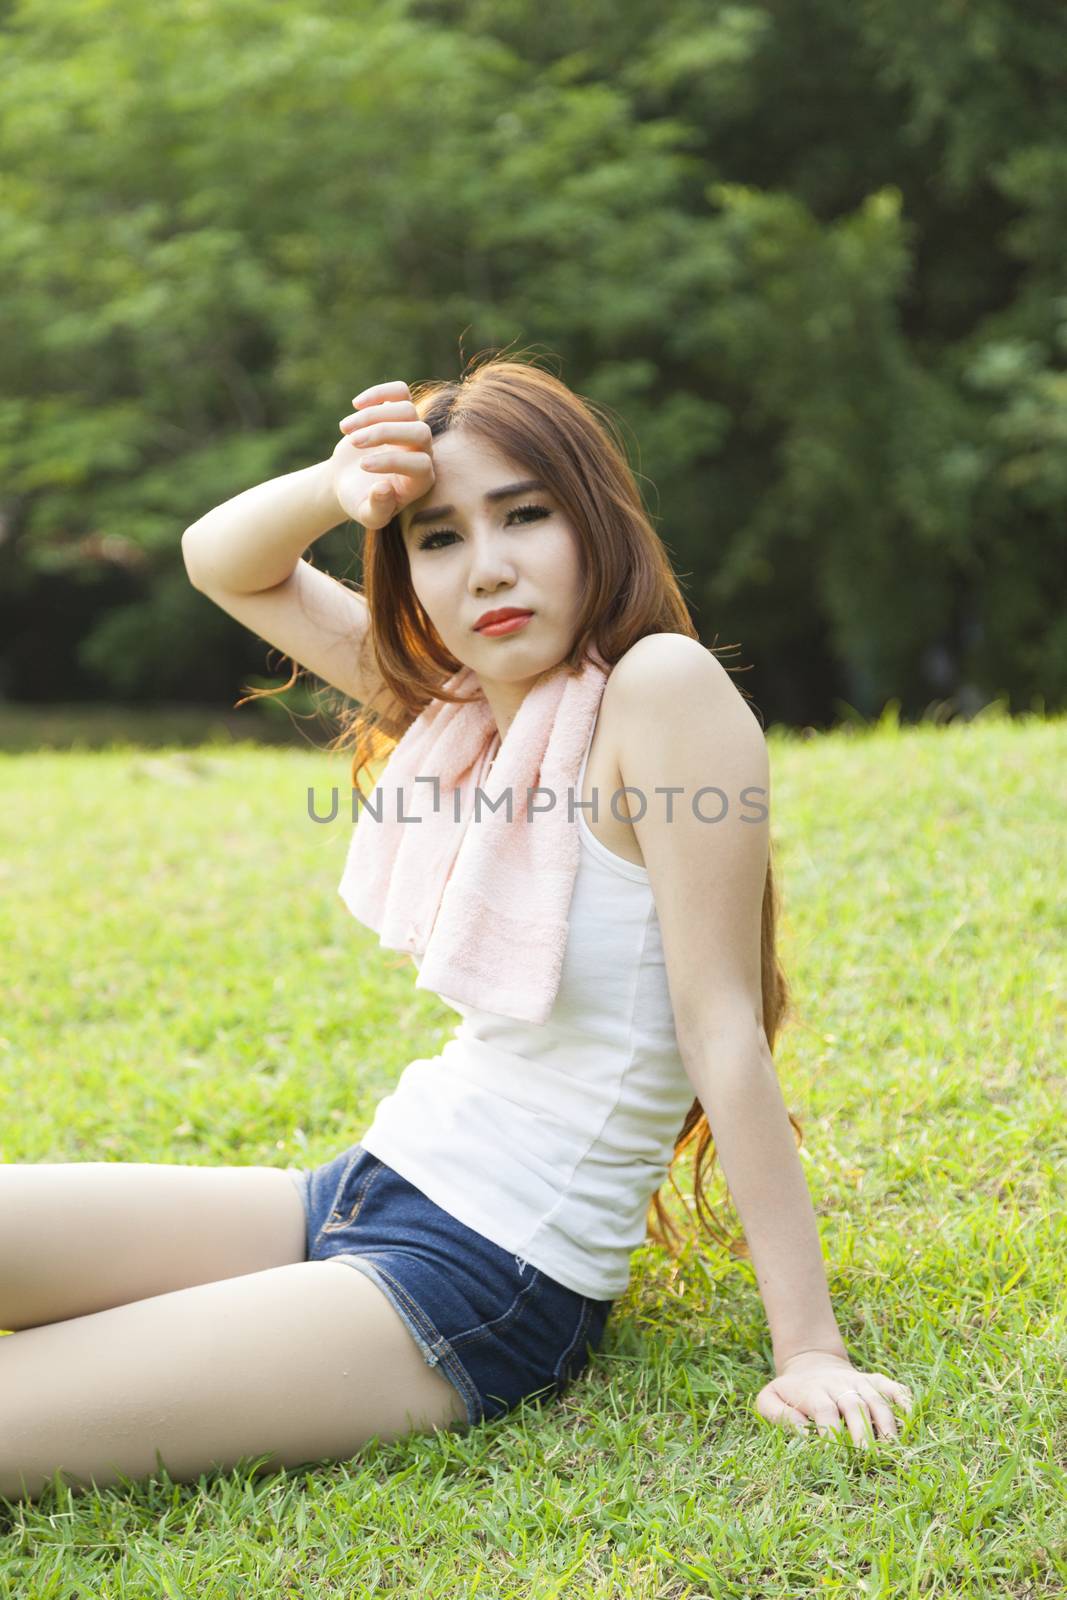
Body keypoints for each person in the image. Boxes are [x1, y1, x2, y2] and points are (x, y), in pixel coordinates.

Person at [0, 355, 913, 1505]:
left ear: (594, 522)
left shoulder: (660, 692)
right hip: (358, 1187)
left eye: (524, 515)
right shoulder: (464, 705)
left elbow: (720, 1027)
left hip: (483, 1277)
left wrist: (810, 1350)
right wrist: (345, 486)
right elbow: (220, 558)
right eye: (437, 537)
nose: (486, 566)